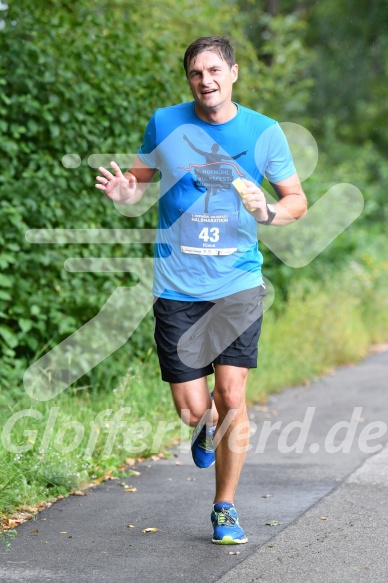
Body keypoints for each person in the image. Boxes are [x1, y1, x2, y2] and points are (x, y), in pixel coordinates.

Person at [95, 36, 307, 545]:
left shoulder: (264, 132)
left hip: (237, 283)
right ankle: (203, 424)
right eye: (196, 72)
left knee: (232, 394)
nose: (206, 80)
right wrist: (129, 193)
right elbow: (141, 179)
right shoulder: (166, 122)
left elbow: (296, 200)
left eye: (214, 70)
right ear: (188, 79)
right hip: (177, 286)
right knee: (193, 408)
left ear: (232, 73)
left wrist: (266, 212)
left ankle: (225, 507)